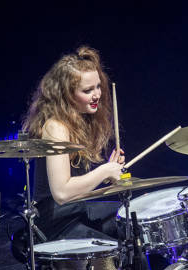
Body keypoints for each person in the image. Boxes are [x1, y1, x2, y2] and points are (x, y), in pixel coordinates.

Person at [22, 46, 125, 241]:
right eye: (87, 90)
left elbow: (74, 187)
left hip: (76, 209)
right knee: (115, 249)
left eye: (98, 86)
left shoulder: (81, 119)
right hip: (55, 220)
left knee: (130, 220)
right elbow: (62, 192)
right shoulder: (56, 128)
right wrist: (103, 172)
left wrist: (108, 171)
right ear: (67, 95)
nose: (97, 95)